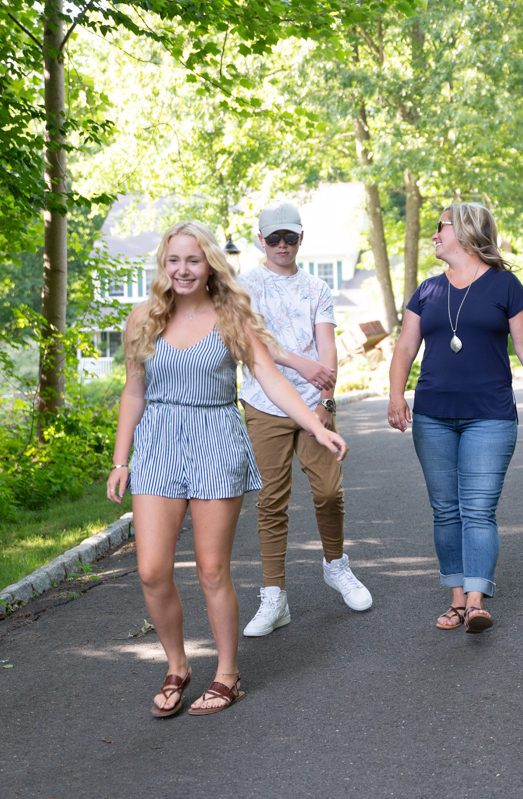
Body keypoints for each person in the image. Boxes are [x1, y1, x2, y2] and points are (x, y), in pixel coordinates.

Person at [107, 220, 347, 717]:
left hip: (216, 441)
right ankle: (177, 665)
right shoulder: (143, 318)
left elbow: (271, 378)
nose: (182, 269)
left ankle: (227, 675)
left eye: (193, 260)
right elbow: (133, 392)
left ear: (209, 264)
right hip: (157, 446)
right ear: (163, 264)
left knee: (212, 569)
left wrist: (316, 424)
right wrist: (120, 458)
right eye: (174, 260)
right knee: (152, 571)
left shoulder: (230, 316)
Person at [388, 202, 523, 633]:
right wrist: (396, 395)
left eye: (440, 227)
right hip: (433, 416)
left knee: (479, 509)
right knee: (445, 510)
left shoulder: (506, 286)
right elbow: (405, 349)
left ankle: (476, 599)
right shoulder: (426, 291)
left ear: (464, 232)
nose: (434, 235)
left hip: (490, 416)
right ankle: (456, 599)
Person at [239, 200, 372, 638]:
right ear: (261, 240)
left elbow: (327, 350)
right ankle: (274, 596)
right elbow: (255, 343)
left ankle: (336, 565)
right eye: (273, 238)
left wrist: (327, 401)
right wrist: (301, 364)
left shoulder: (317, 287)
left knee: (330, 492)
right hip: (264, 404)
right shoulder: (245, 287)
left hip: (314, 405)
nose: (282, 245)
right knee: (271, 502)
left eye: (289, 237)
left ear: (300, 239)